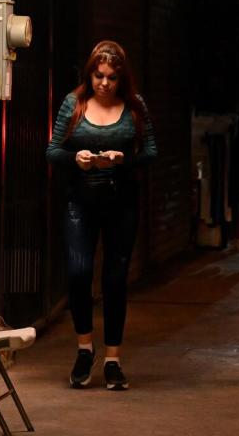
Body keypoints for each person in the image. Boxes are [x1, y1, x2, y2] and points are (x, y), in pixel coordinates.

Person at [46, 40, 157, 391]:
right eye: (98, 75)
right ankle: (83, 349)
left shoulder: (135, 106)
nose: (104, 83)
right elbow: (52, 150)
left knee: (114, 279)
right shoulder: (74, 104)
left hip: (121, 201)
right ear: (90, 73)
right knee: (79, 272)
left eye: (110, 77)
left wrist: (125, 160)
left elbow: (152, 152)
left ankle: (112, 359)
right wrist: (75, 157)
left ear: (121, 77)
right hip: (80, 201)